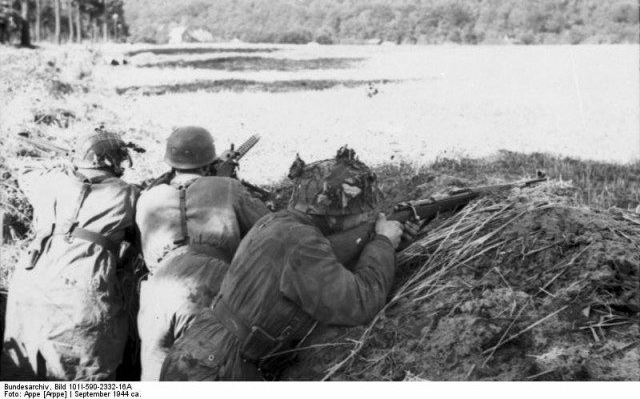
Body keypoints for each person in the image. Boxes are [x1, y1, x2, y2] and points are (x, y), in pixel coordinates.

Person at [160, 146, 410, 381]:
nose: (366, 217)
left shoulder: (276, 223)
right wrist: (382, 242)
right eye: (362, 212)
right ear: (335, 215)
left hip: (198, 353)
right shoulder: (303, 244)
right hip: (216, 368)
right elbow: (361, 302)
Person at [1, 128, 140, 381]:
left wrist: (65, 164)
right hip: (83, 291)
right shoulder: (128, 194)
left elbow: (25, 171)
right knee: (85, 369)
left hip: (31, 283)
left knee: (26, 368)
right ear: (112, 161)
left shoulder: (50, 180)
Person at [135, 126, 270, 381]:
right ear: (209, 161)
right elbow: (270, 228)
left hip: (157, 289)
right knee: (212, 372)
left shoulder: (147, 198)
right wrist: (230, 183)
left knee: (154, 375)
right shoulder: (227, 187)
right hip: (208, 282)